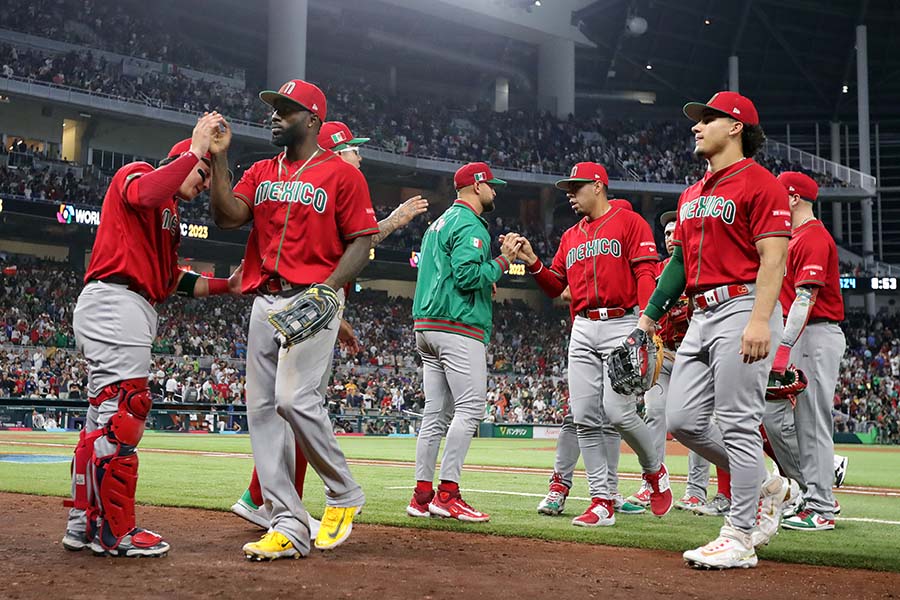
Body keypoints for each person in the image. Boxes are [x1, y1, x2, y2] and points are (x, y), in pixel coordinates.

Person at [229, 119, 429, 535]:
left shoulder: (326, 182)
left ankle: (268, 503)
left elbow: (328, 252)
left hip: (313, 303)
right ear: (334, 150)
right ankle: (282, 500)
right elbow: (357, 241)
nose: (360, 155)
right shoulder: (330, 179)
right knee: (295, 404)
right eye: (353, 147)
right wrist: (393, 220)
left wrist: (336, 318)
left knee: (289, 408)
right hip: (300, 298)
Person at [208, 79, 377, 559]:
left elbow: (362, 240)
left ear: (313, 120)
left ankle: (343, 491)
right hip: (265, 299)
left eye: (287, 110)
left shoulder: (342, 176)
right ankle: (286, 523)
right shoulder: (261, 170)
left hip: (312, 298)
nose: (276, 116)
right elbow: (226, 216)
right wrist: (220, 158)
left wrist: (329, 291)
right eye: (275, 109)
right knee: (261, 413)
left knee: (293, 399)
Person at [61, 114, 243, 558]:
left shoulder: (169, 215)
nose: (204, 183)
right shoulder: (138, 174)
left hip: (128, 305)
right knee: (125, 412)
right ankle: (116, 532)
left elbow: (168, 280)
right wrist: (197, 150)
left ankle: (83, 523)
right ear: (183, 158)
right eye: (202, 174)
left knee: (100, 422)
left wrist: (226, 285)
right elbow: (146, 192)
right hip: (115, 302)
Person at [631, 91, 793, 569]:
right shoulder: (691, 193)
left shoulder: (762, 184)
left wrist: (761, 319)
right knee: (683, 421)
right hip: (700, 314)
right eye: (698, 120)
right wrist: (648, 318)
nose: (697, 126)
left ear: (737, 126)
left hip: (743, 305)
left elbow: (774, 258)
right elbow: (678, 263)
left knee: (740, 422)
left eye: (708, 119)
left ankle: (740, 534)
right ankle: (768, 485)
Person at [515, 162, 672, 528]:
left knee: (618, 414)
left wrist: (647, 325)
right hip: (583, 327)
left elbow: (645, 271)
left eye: (577, 187)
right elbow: (556, 286)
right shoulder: (570, 236)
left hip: (623, 321)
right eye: (568, 189)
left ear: (599, 185)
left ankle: (654, 471)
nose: (570, 195)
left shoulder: (629, 222)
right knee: (585, 417)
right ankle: (601, 501)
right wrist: (533, 262)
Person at [406, 162, 522, 522]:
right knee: (470, 409)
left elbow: (448, 273)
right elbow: (469, 274)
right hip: (456, 326)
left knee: (435, 415)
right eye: (491, 185)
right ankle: (448, 494)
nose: (495, 192)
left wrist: (484, 275)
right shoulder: (470, 224)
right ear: (476, 186)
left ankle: (421, 495)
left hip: (426, 325)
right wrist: (503, 261)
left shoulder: (437, 224)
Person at [768, 172, 846, 531]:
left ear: (794, 198)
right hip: (796, 334)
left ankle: (821, 505)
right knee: (773, 418)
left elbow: (806, 297)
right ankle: (812, 487)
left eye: (777, 196)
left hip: (813, 333)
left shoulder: (813, 236)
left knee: (812, 421)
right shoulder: (789, 237)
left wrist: (783, 347)